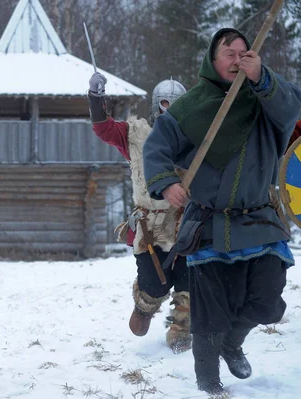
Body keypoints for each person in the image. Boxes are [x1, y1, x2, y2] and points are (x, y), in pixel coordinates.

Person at [143, 28, 301, 395]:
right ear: (212, 61)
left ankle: (233, 343)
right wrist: (167, 181)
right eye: (229, 53)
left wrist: (262, 77)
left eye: (245, 52)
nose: (237, 59)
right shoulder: (191, 105)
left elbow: (292, 108)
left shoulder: (266, 99)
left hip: (259, 219)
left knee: (268, 304)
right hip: (208, 222)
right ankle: (209, 384)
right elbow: (157, 147)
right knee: (210, 313)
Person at [87, 73, 190, 353]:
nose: (170, 109)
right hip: (151, 224)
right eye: (166, 103)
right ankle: (145, 306)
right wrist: (96, 99)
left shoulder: (197, 136)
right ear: (158, 104)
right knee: (155, 283)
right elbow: (104, 129)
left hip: (187, 221)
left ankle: (181, 331)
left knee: (189, 280)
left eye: (177, 104)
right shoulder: (136, 134)